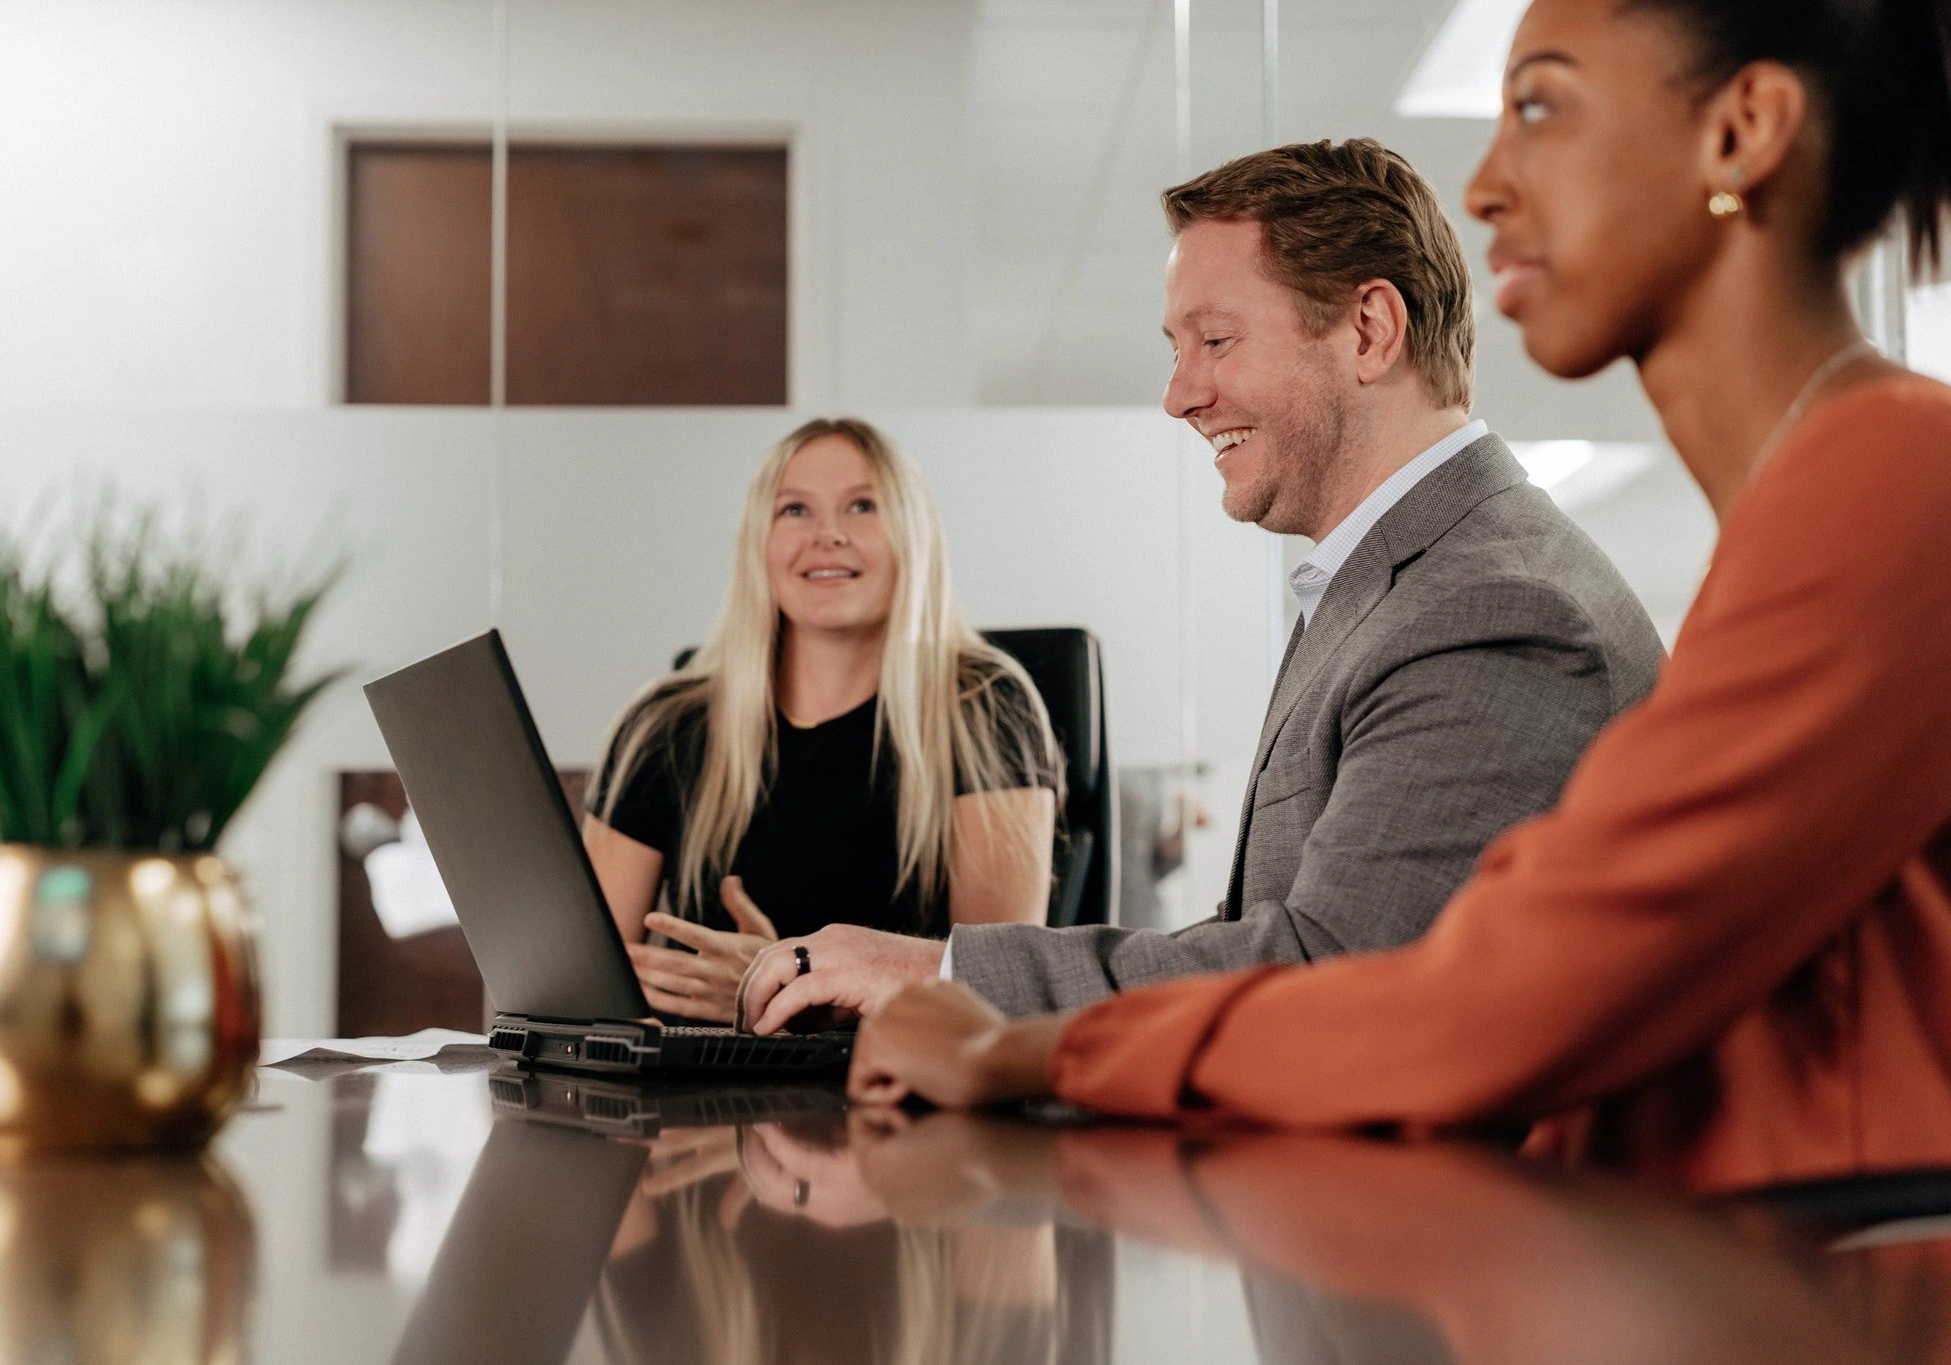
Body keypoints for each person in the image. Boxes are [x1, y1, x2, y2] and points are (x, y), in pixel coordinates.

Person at [842, 0, 1951, 1194]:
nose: (1481, 186)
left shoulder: (1878, 485)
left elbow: (1471, 1003)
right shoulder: (1823, 495)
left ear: (1743, 131)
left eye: (1538, 104)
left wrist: (1024, 1048)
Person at [737, 140, 1661, 1035]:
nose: (1179, 395)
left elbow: (1329, 987)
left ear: (1370, 331)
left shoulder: (1492, 608)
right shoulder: (1396, 581)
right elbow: (1269, 945)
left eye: (1215, 339)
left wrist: (933, 974)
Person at [582, 417, 1062, 1023]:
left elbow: (996, 1001)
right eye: (794, 511)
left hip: (886, 1099)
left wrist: (789, 990)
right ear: (761, 542)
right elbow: (580, 991)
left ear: (912, 537)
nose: (828, 535)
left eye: (863, 506)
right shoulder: (666, 725)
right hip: (687, 1103)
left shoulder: (984, 709)